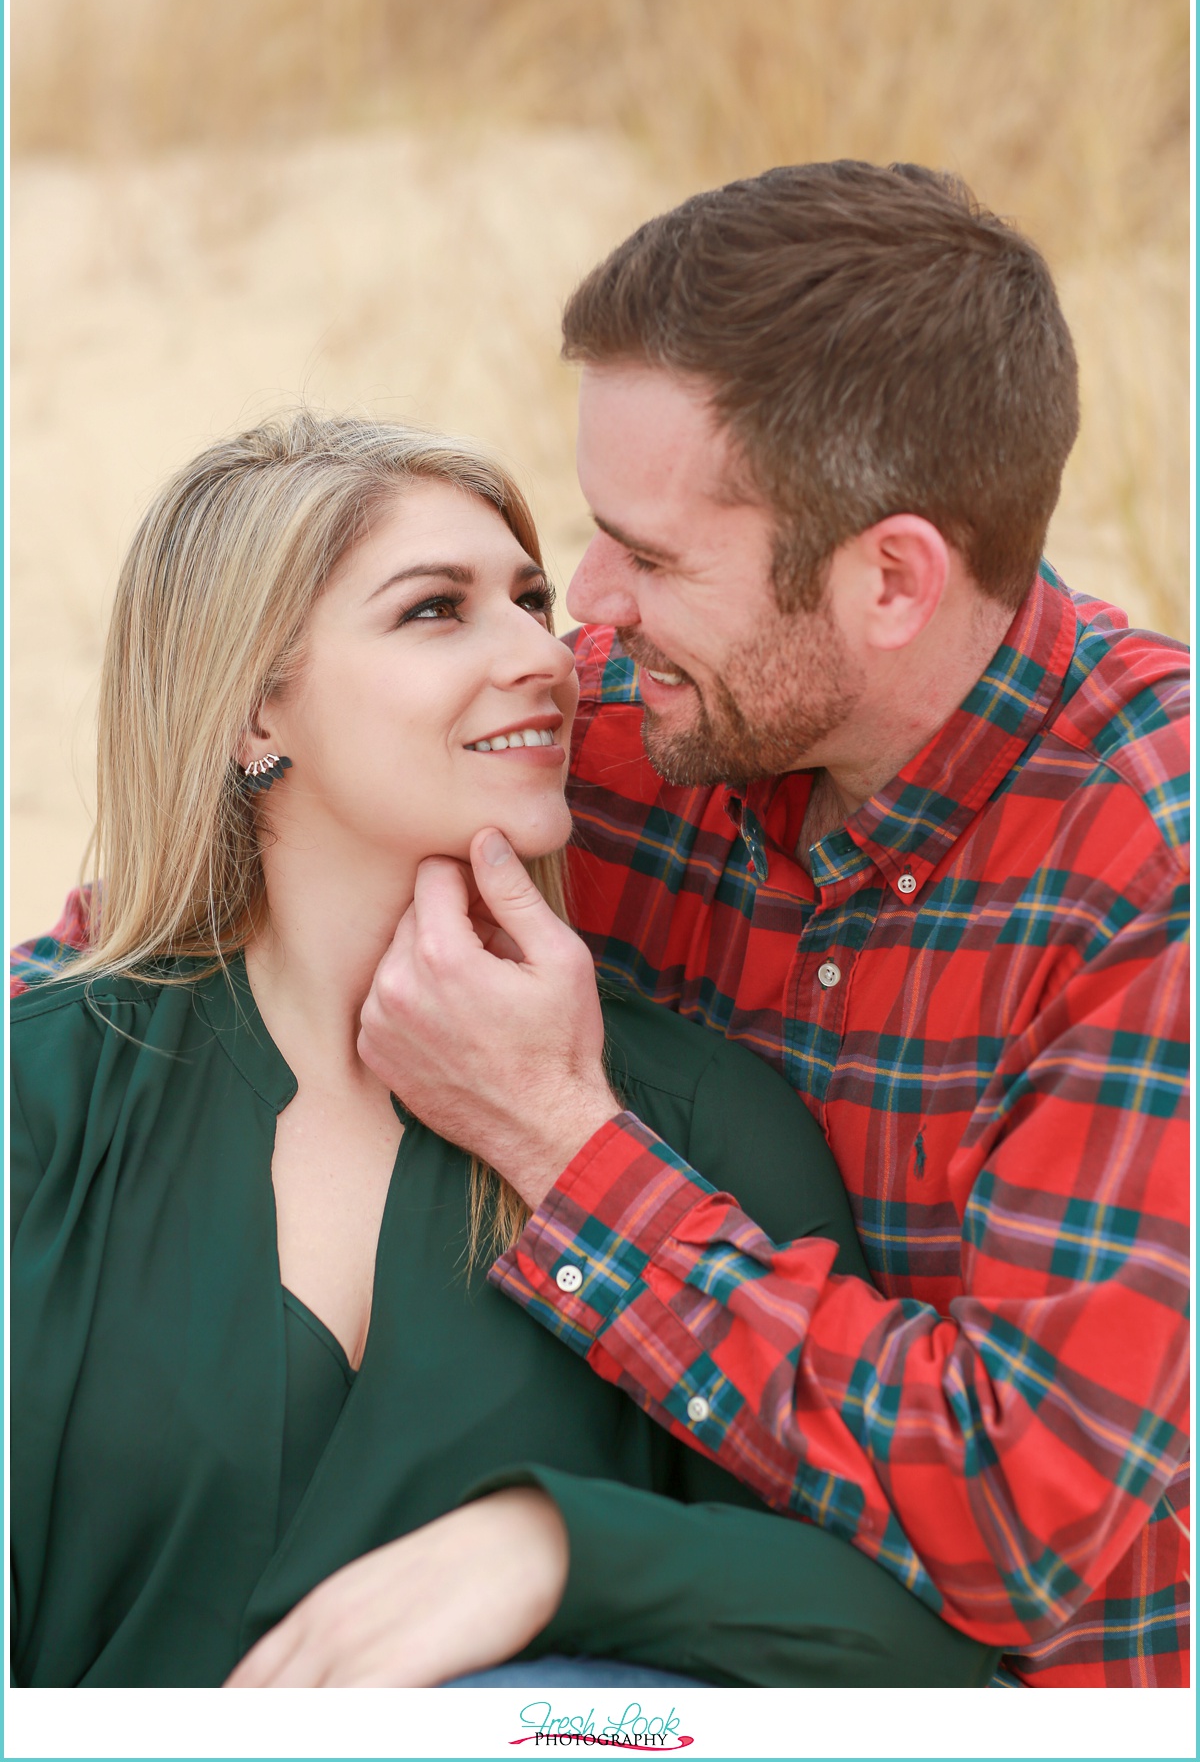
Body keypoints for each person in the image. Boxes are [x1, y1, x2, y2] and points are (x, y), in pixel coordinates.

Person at [351, 163, 1191, 1688]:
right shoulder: (632, 726)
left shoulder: (1155, 875)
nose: (586, 607)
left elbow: (1020, 1515)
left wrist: (555, 1142)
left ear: (890, 579)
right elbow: (193, 918)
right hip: (639, 1576)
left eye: (654, 557)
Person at [9, 411, 998, 1690]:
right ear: (257, 711)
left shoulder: (692, 1119)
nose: (545, 655)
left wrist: (566, 1553)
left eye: (531, 600)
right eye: (436, 609)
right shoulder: (45, 1099)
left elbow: (909, 1631)